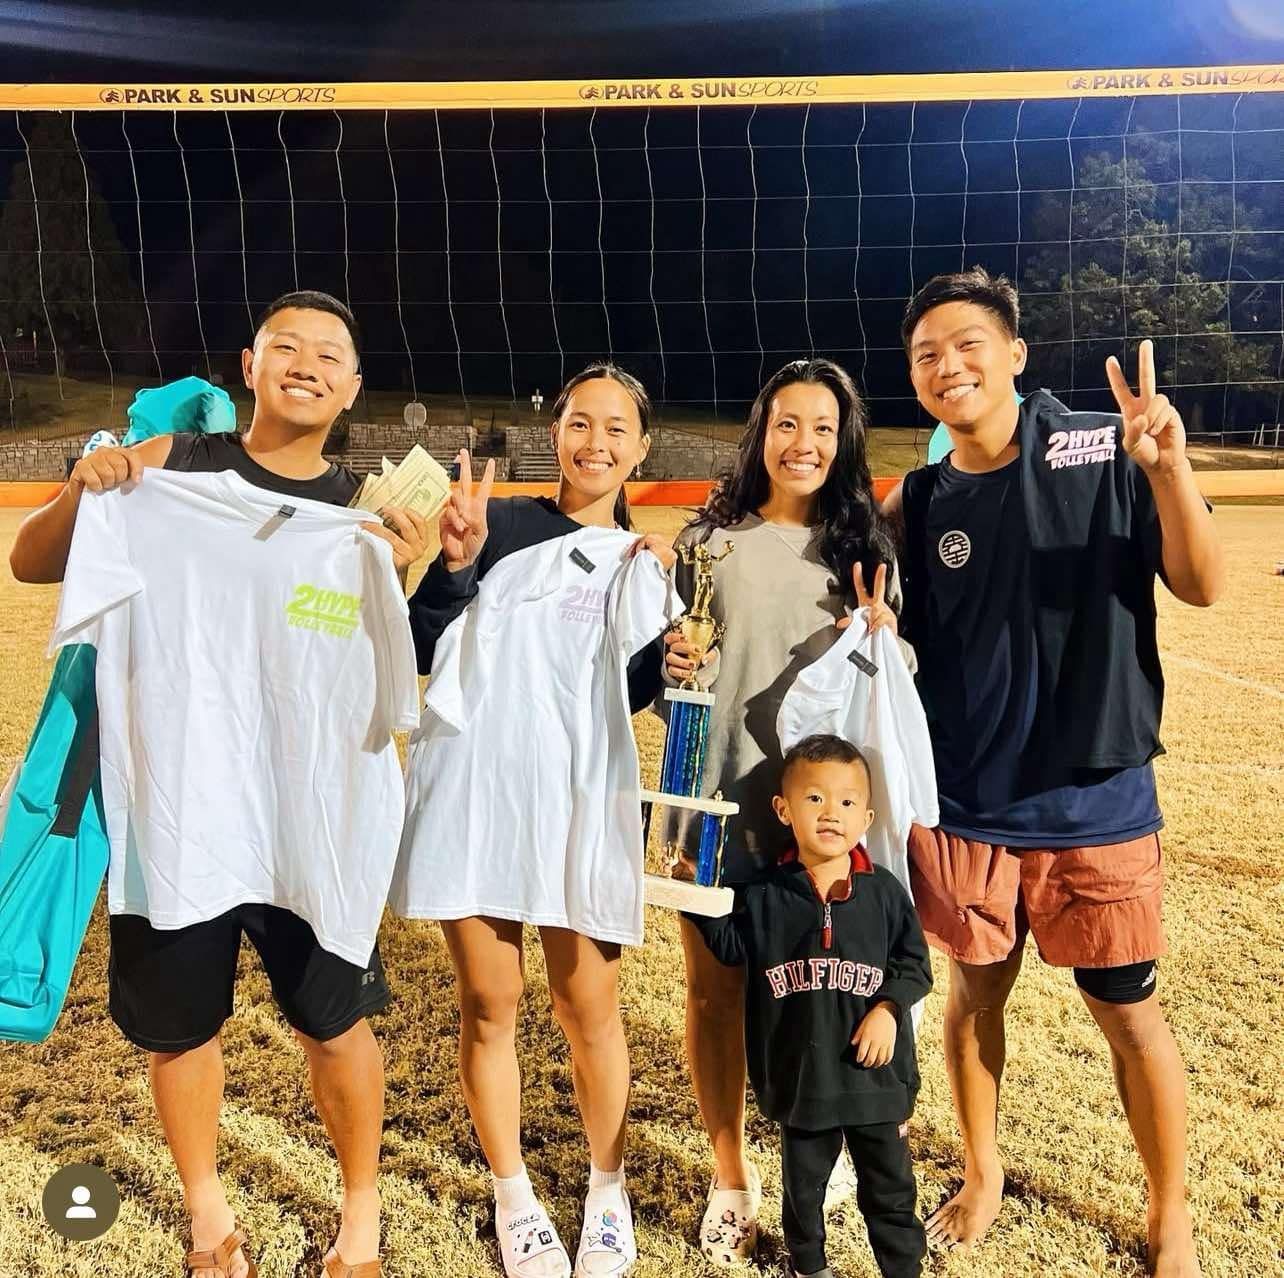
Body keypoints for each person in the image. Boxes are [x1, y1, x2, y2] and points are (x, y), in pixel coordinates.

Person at [10, 290, 429, 1278]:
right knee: (181, 1029)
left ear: (353, 386)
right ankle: (208, 1217)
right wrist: (86, 488)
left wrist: (428, 572)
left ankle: (360, 1214)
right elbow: (32, 563)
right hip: (180, 816)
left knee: (335, 1024)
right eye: (287, 345)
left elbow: (406, 666)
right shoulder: (167, 472)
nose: (306, 363)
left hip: (308, 826)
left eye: (329, 353)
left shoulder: (366, 520)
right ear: (250, 365)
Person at [886, 266, 1222, 1277]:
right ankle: (982, 1171)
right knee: (973, 997)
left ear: (1016, 356)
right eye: (928, 354)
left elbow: (1203, 584)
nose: (949, 366)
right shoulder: (918, 500)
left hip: (1093, 800)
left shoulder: (1101, 446)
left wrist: (1168, 469)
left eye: (969, 345)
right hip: (969, 806)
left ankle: (1170, 1213)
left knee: (1128, 1013)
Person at [392, 364, 678, 1278]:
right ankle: (513, 1194)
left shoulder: (642, 559)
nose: (596, 443)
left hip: (579, 800)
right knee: (490, 1003)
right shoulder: (497, 521)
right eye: (580, 422)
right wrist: (454, 565)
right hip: (475, 792)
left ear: (642, 448)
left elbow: (633, 696)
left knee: (587, 1005)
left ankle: (607, 1187)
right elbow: (418, 647)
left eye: (617, 429)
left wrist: (669, 653)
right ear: (554, 431)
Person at [659, 358, 905, 1263]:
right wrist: (669, 666)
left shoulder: (865, 552)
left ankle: (827, 1145)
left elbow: (887, 693)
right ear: (761, 431)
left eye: (824, 428)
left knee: (832, 994)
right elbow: (674, 684)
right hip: (715, 804)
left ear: (845, 443)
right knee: (715, 996)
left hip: (825, 824)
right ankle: (730, 1175)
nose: (804, 443)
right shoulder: (705, 543)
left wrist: (890, 641)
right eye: (787, 423)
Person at [688, 734, 932, 1278]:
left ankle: (903, 1268)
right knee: (803, 1193)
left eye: (846, 801)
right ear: (783, 809)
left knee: (891, 1193)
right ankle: (809, 1266)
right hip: (802, 1081)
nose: (831, 813)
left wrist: (888, 1009)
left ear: (866, 817)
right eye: (814, 798)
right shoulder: (765, 895)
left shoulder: (885, 893)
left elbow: (915, 964)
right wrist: (693, 894)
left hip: (876, 1082)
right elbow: (730, 946)